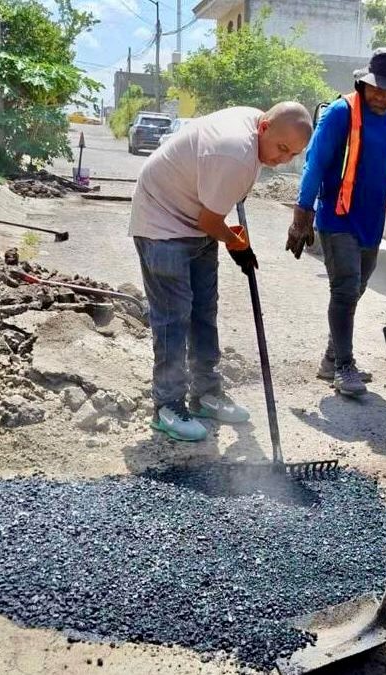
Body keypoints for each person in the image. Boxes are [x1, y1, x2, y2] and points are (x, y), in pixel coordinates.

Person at [130, 103, 312, 441]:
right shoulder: (235, 153)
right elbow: (210, 222)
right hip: (161, 220)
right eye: (281, 148)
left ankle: (205, 395)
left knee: (203, 313)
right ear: (264, 127)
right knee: (173, 317)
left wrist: (234, 241)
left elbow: (214, 212)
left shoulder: (255, 136)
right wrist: (237, 245)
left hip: (193, 215)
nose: (283, 159)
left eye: (293, 154)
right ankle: (167, 406)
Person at [285, 48, 386, 398]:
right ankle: (344, 367)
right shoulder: (342, 113)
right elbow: (315, 163)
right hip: (336, 218)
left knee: (354, 291)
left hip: (372, 222)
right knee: (343, 289)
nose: (384, 96)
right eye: (378, 88)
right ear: (364, 82)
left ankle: (330, 358)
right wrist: (301, 215)